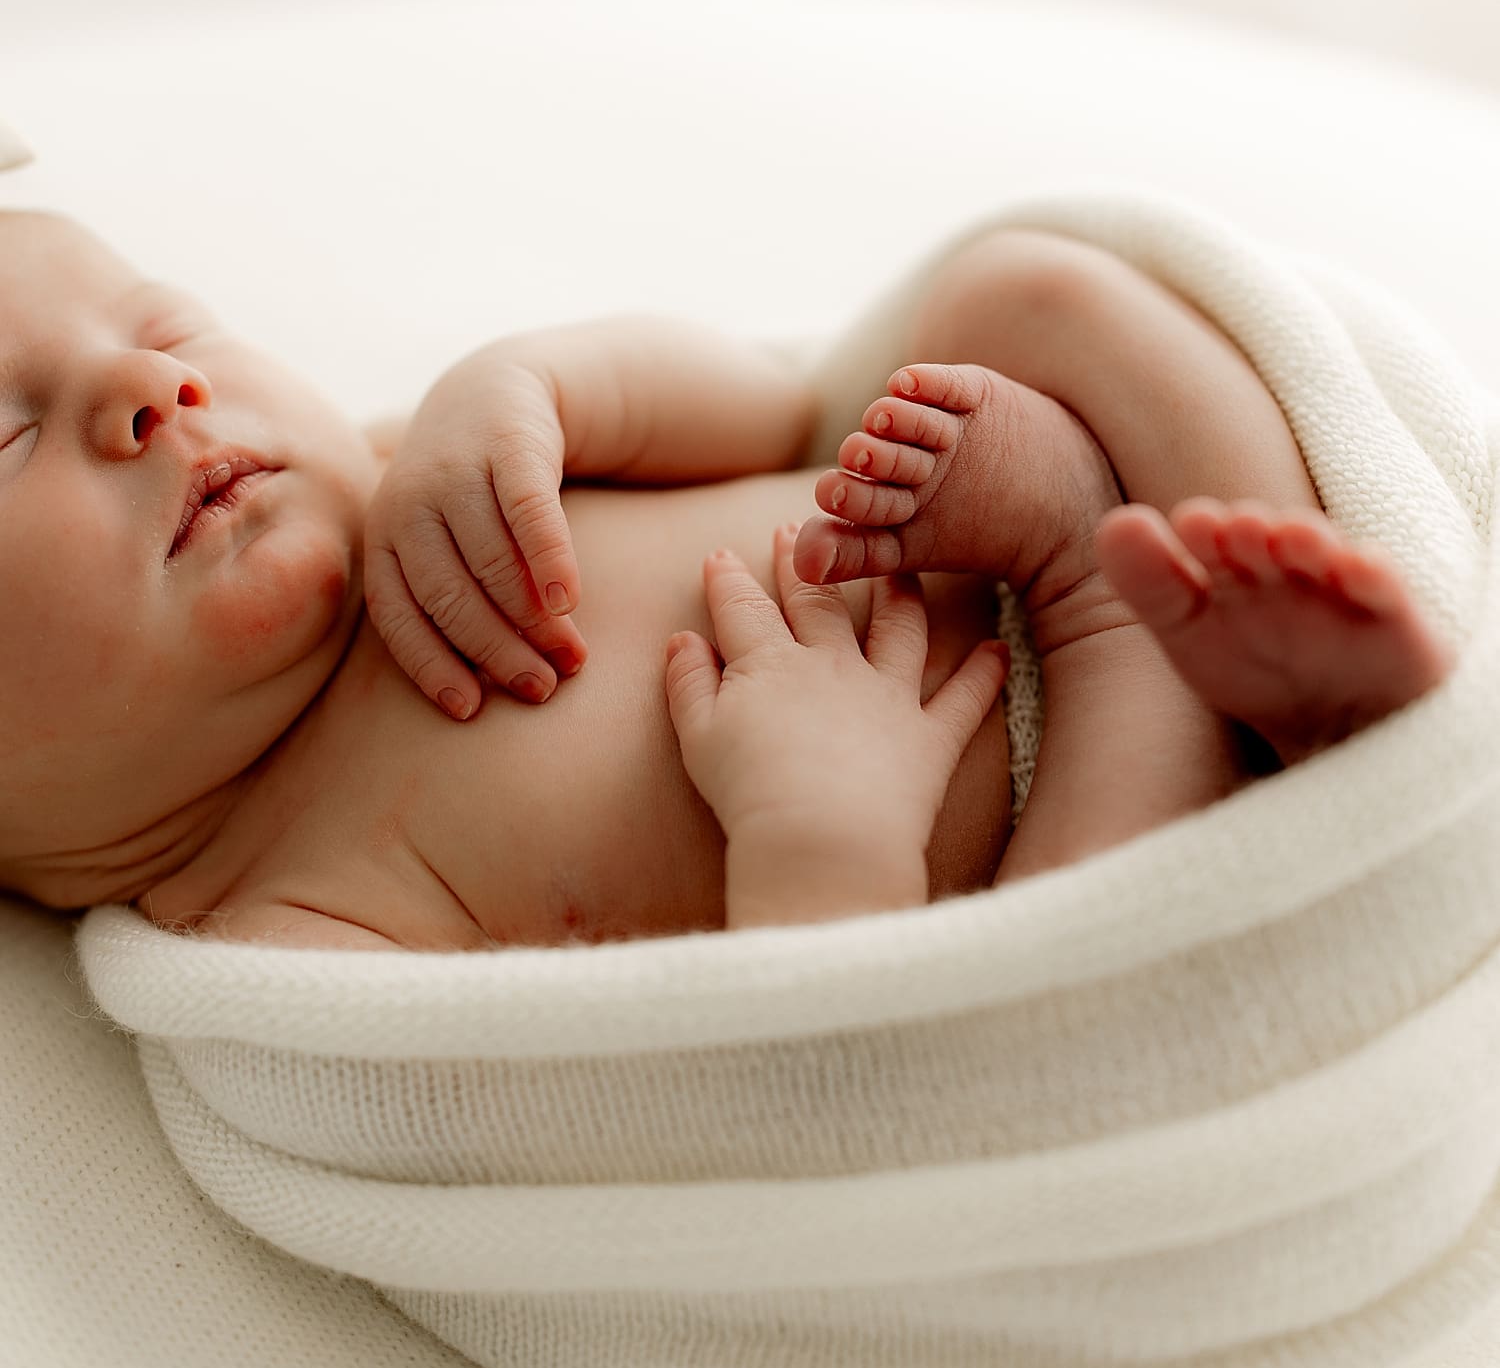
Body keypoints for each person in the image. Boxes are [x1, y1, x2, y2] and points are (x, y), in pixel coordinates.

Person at [0, 211, 1451, 948]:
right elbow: (735, 1124)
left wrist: (534, 379)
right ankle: (1172, 646)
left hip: (985, 507)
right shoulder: (287, 924)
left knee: (1029, 290)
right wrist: (826, 846)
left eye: (161, 319)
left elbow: (771, 413)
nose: (149, 383)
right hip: (1076, 837)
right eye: (6, 435)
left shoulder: (416, 480)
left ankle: (1304, 612)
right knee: (1070, 996)